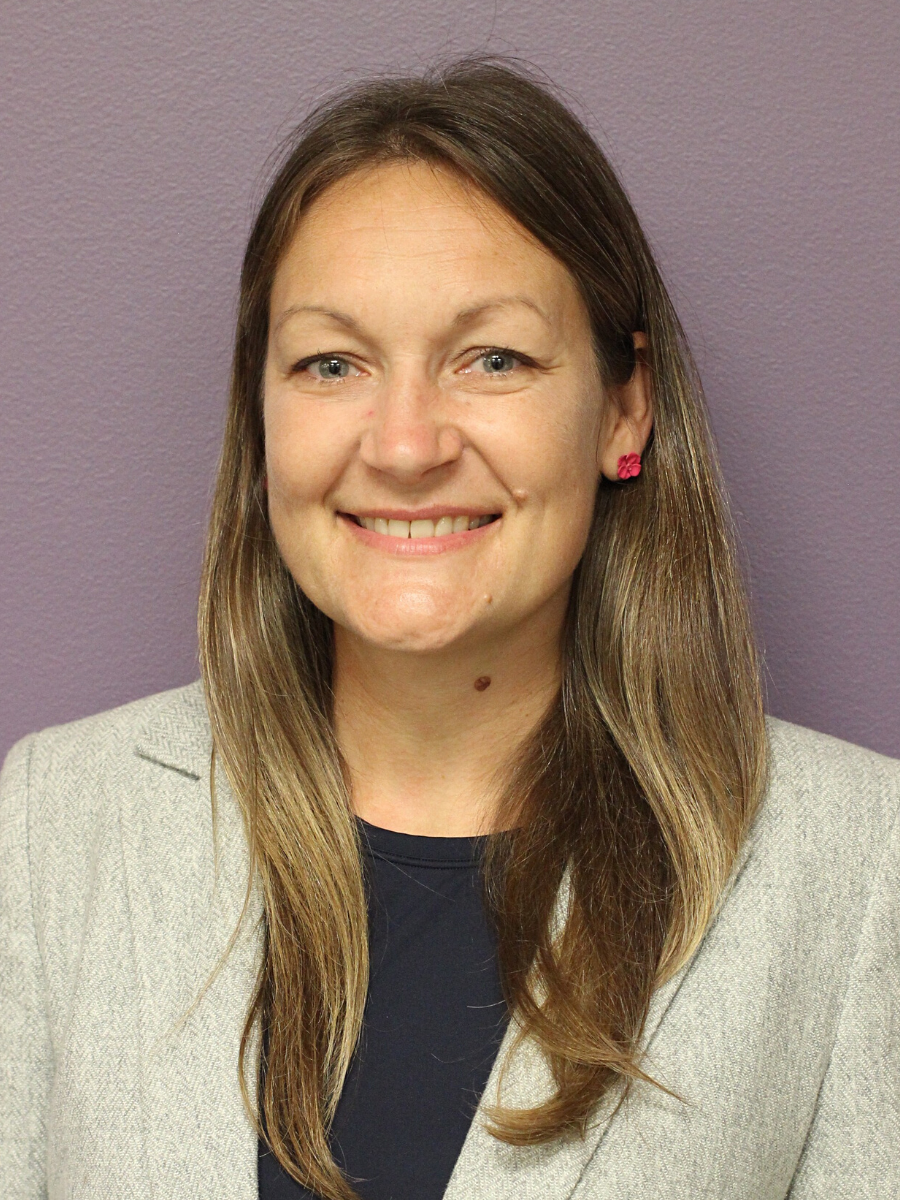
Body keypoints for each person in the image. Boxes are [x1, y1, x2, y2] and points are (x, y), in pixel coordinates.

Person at [1, 57, 897, 1200]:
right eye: (333, 363)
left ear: (627, 407)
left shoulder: (861, 865)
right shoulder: (55, 826)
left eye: (494, 359)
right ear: (262, 414)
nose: (408, 445)